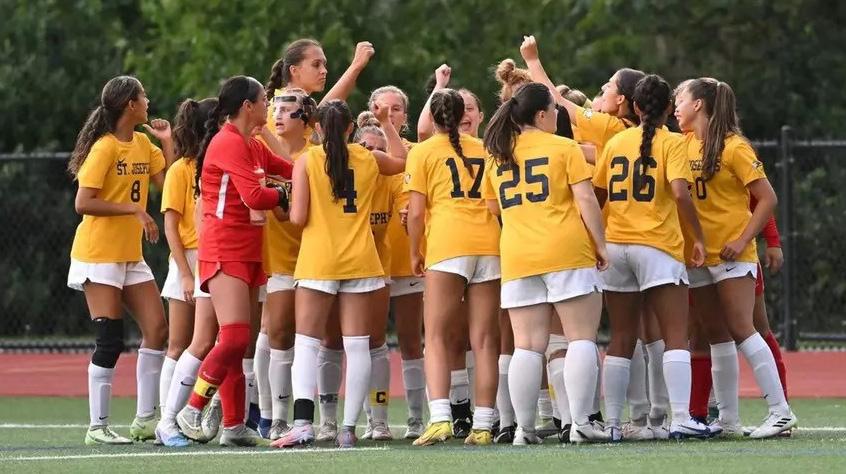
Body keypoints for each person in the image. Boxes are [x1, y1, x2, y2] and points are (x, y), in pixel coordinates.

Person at [272, 100, 405, 449]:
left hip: (319, 260)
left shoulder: (307, 160)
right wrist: (385, 123)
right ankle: (348, 428)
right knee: (358, 346)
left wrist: (282, 198)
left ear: (317, 127)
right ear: (351, 128)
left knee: (307, 343)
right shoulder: (368, 157)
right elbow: (403, 160)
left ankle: (304, 424)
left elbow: (297, 218)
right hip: (361, 259)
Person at [482, 82, 609, 444]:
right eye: (554, 109)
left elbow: (493, 208)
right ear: (541, 115)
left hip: (518, 254)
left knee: (526, 346)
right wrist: (600, 245)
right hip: (565, 250)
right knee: (581, 338)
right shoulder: (564, 147)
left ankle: (524, 430)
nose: (558, 114)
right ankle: (581, 423)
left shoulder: (497, 154)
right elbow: (586, 200)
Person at [174, 75, 293, 447]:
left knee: (238, 342)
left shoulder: (253, 144)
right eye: (264, 101)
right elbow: (255, 197)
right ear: (247, 106)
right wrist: (284, 195)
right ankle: (191, 408)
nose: (268, 107)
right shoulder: (228, 142)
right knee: (235, 335)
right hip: (224, 247)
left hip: (248, 248)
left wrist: (322, 166)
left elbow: (287, 167)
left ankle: (233, 425)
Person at [674, 77, 796, 438]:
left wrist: (744, 239)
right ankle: (728, 418)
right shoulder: (682, 143)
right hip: (698, 255)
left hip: (732, 253)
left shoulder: (734, 146)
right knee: (716, 335)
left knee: (743, 328)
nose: (676, 106)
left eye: (681, 99)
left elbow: (767, 198)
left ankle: (781, 411)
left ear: (698, 104)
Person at [592, 74, 711, 441]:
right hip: (658, 245)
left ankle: (613, 424)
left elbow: (596, 196)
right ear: (666, 109)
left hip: (616, 245)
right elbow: (680, 193)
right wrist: (698, 237)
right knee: (675, 335)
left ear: (635, 106)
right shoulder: (672, 142)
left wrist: (594, 239)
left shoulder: (615, 142)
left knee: (621, 338)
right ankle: (680, 418)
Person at [67, 75, 174, 445]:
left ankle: (145, 420)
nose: (148, 101)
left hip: (130, 255)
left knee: (158, 330)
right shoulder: (105, 147)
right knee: (110, 340)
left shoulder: (143, 143)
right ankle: (97, 427)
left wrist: (167, 142)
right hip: (99, 255)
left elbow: (168, 186)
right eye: (143, 96)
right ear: (131, 104)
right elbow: (83, 202)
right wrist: (133, 209)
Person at [406, 89, 501, 447]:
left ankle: (441, 419)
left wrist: (415, 251)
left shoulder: (423, 151)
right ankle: (484, 425)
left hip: (448, 244)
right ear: (463, 116)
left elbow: (416, 212)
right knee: (486, 340)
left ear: (432, 117)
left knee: (436, 336)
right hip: (489, 245)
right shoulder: (486, 148)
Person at [154, 97, 219, 447]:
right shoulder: (181, 169)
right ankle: (167, 421)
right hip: (189, 260)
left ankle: (195, 415)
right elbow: (170, 226)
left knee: (213, 342)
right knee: (179, 343)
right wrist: (185, 273)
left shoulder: (218, 162)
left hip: (214, 256)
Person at [255, 88, 318, 440]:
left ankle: (325, 417)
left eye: (286, 110)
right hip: (278, 259)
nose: (277, 116)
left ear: (305, 119)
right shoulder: (260, 151)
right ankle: (276, 416)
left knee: (317, 339)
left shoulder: (315, 155)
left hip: (314, 257)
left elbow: (294, 211)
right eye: (274, 109)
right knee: (277, 333)